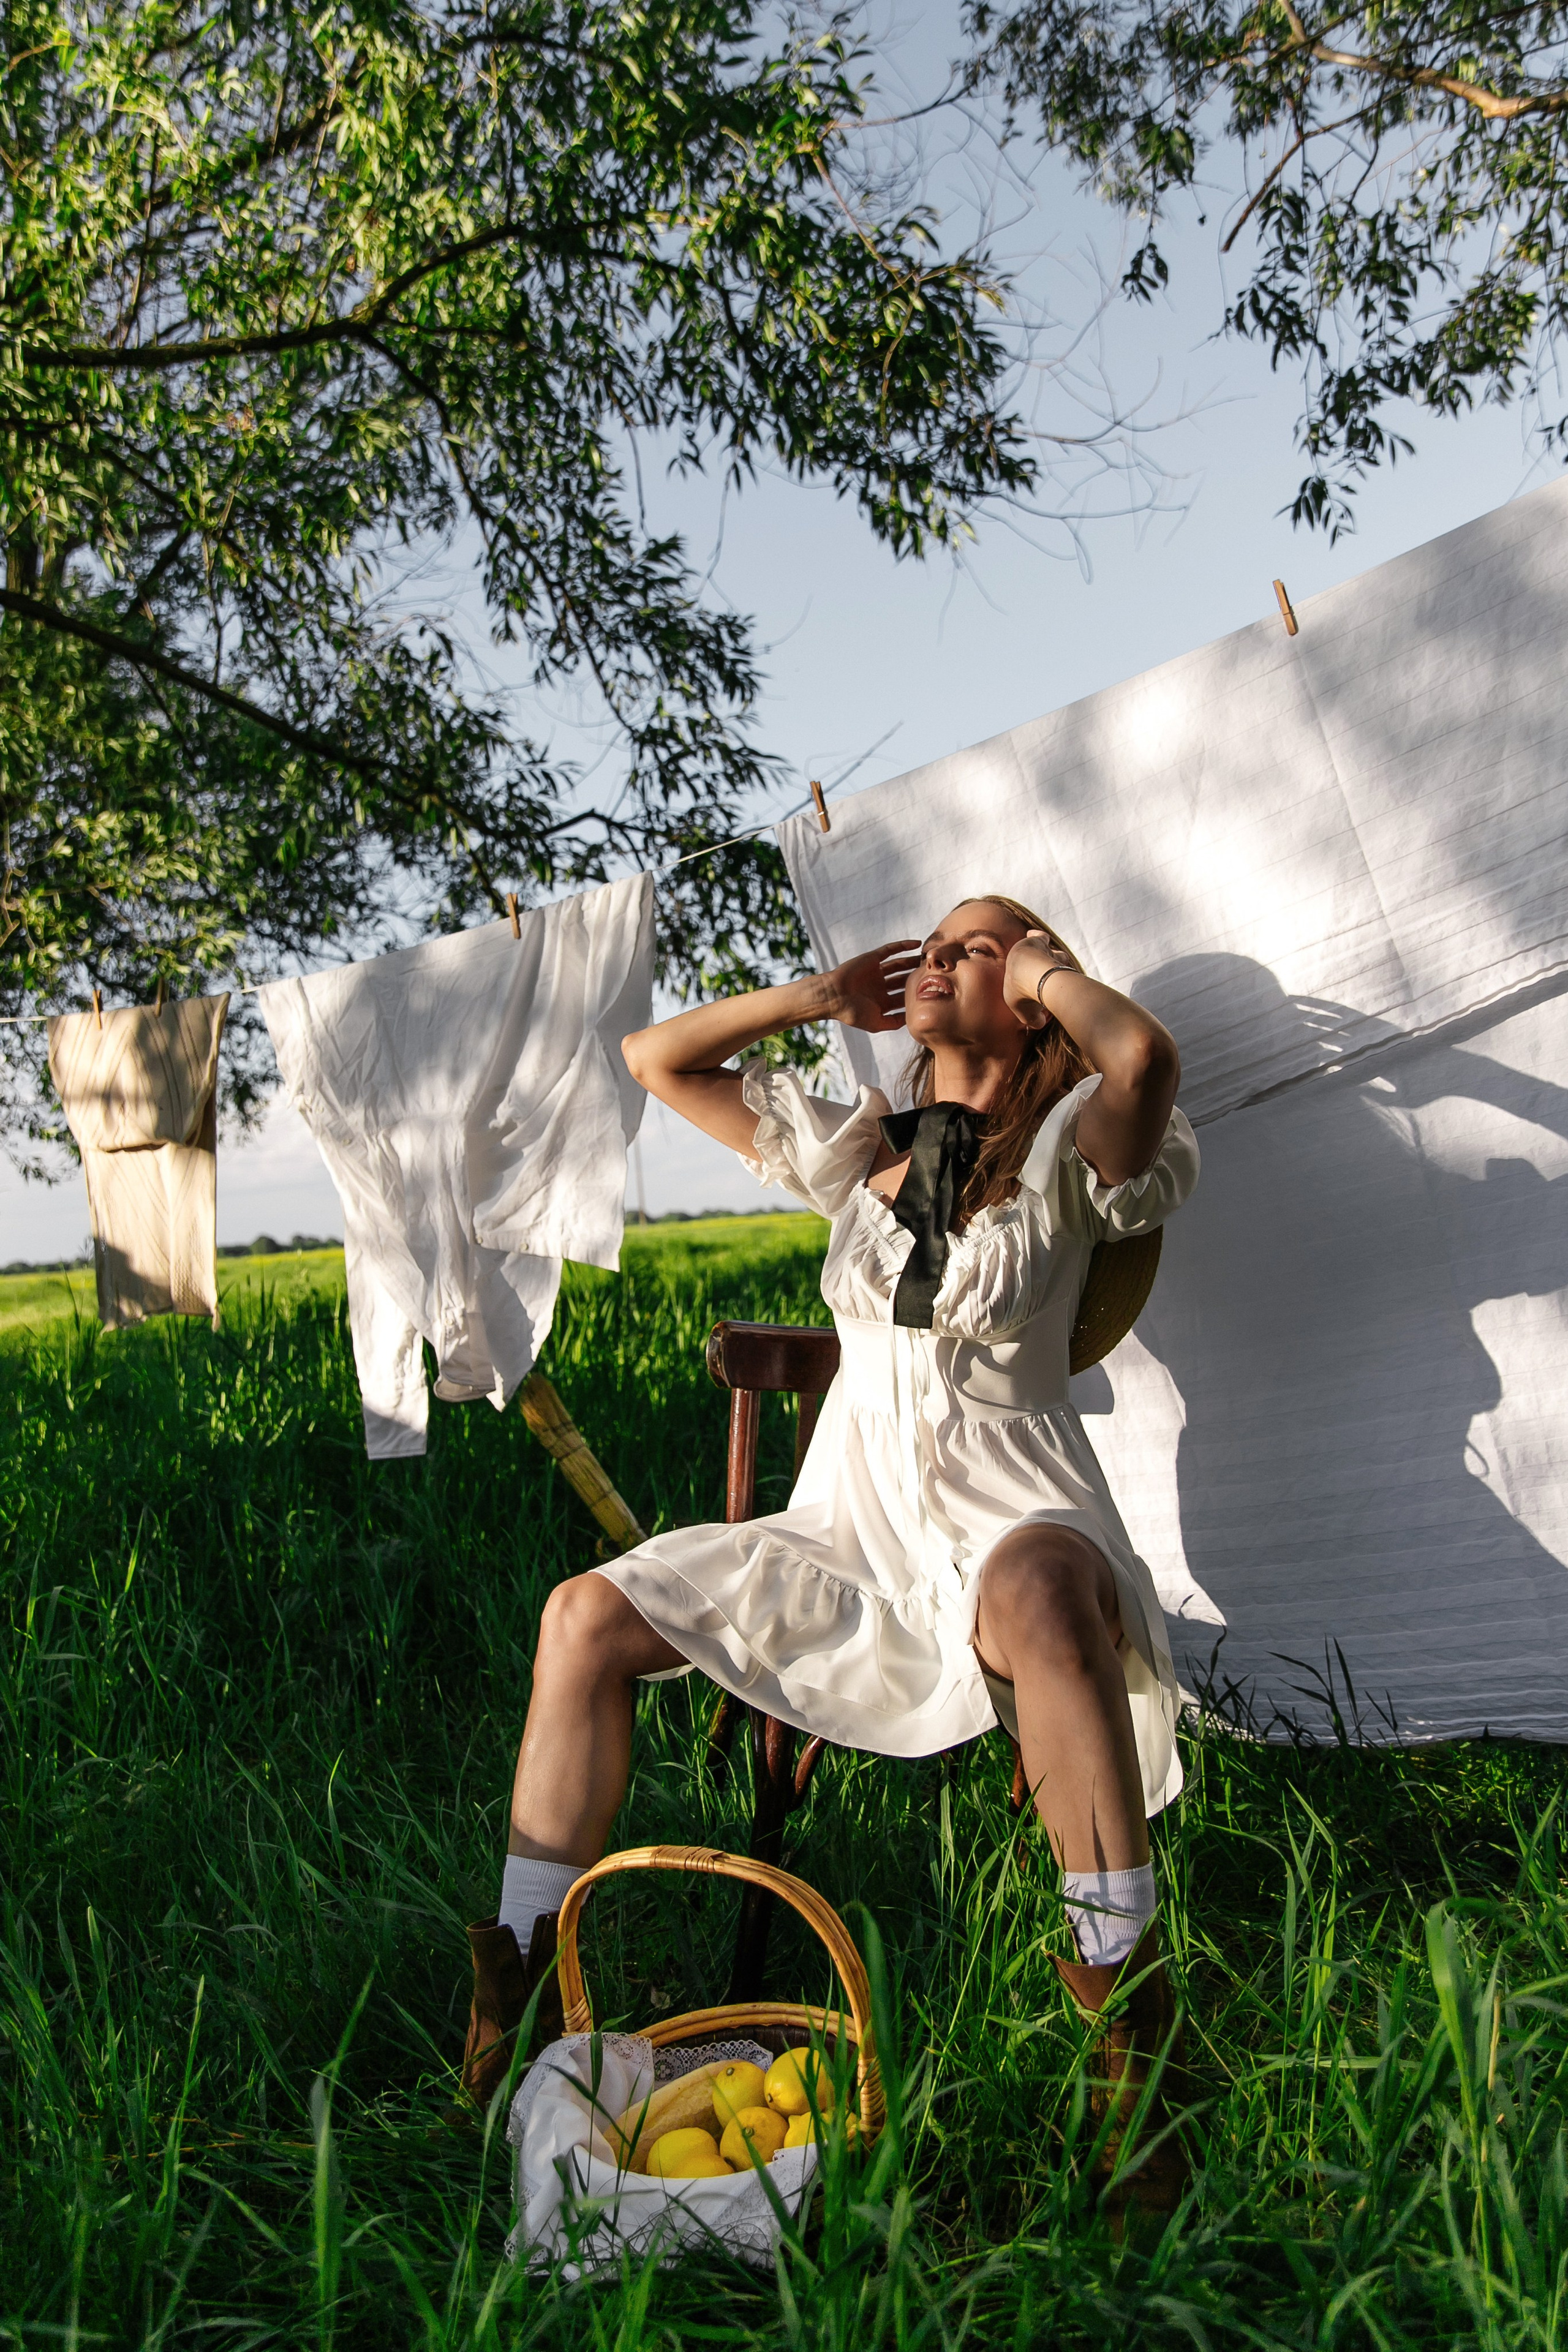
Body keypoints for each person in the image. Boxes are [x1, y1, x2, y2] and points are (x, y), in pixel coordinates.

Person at [461, 897, 1200, 2206]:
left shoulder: (1070, 1149)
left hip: (1013, 1514)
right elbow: (654, 1061)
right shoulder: (871, 1142)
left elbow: (1139, 1058)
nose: (943, 958)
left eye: (977, 946)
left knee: (1031, 1587)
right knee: (581, 1613)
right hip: (847, 1528)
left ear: (1032, 994)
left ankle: (1124, 2040)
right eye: (940, 940)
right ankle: (516, 1995)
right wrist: (817, 998)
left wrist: (1039, 968)